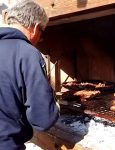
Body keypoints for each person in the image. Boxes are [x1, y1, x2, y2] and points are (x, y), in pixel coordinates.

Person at [0, 0, 59, 149]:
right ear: (35, 28)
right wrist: (56, 106)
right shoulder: (27, 53)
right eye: (41, 33)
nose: (39, 39)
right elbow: (42, 120)